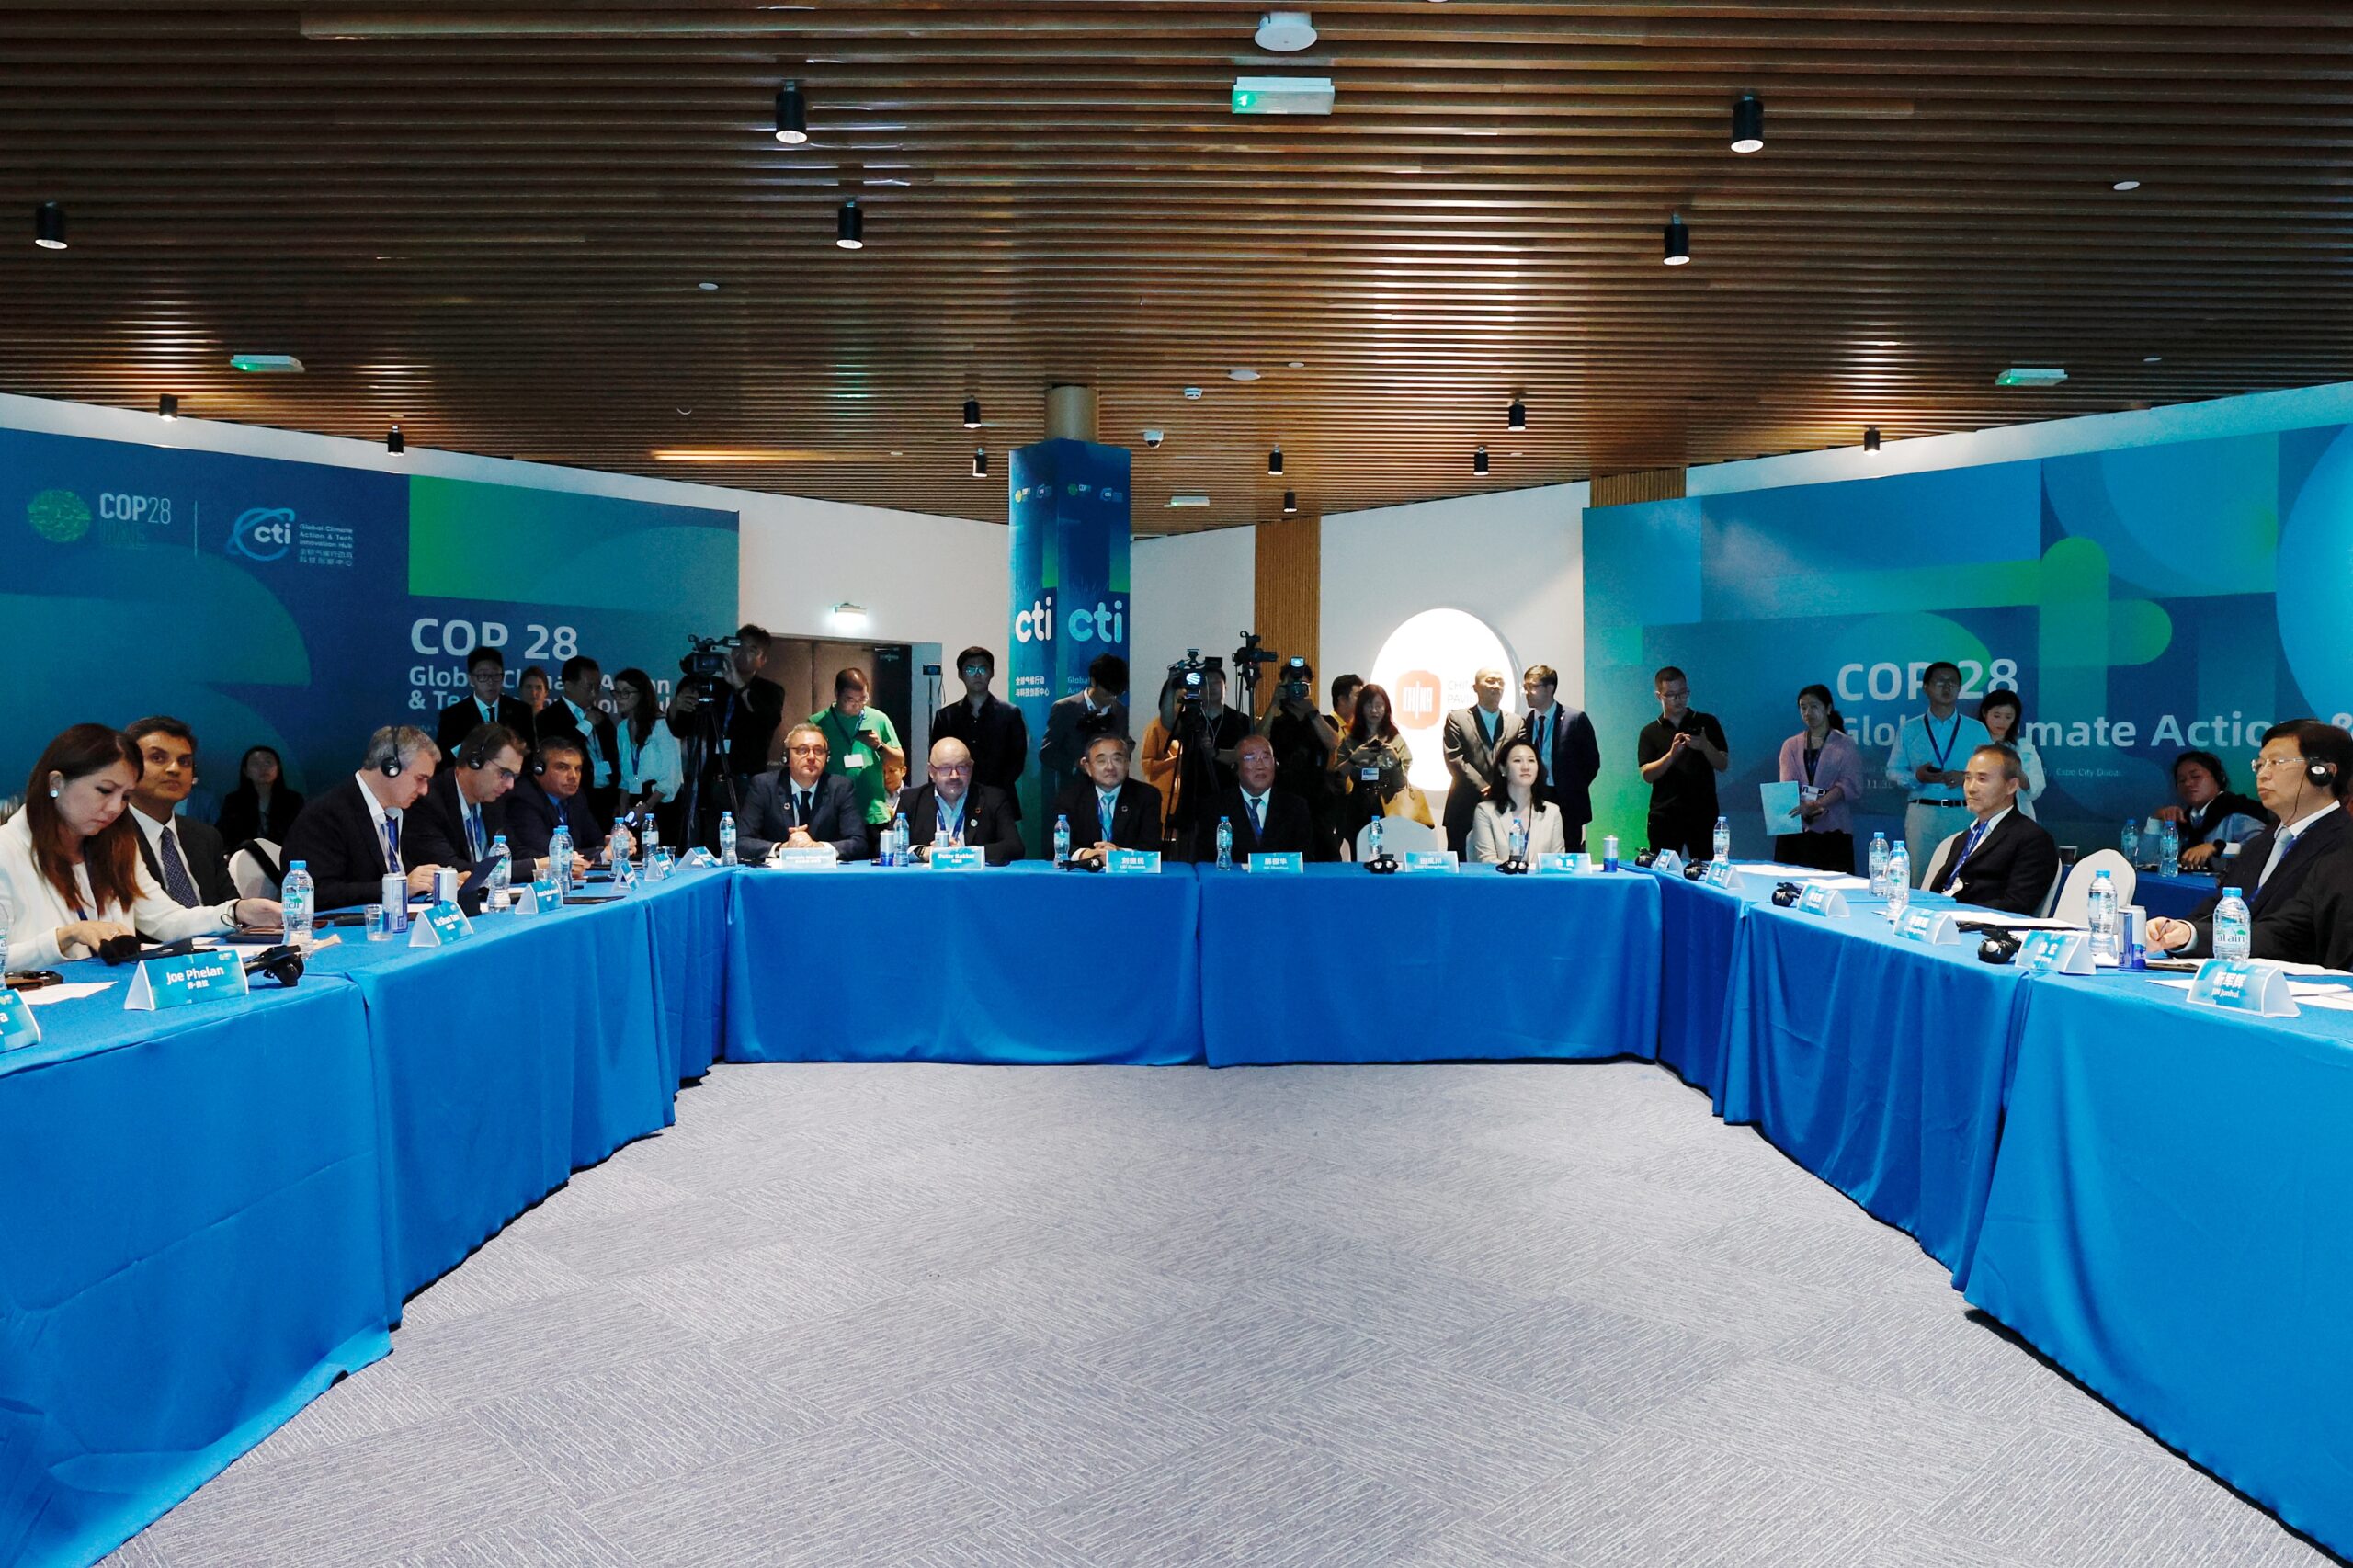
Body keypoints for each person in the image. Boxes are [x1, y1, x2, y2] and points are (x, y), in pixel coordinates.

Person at [1, 724, 281, 970]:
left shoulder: (116, 847)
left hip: (112, 1000)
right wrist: (64, 937)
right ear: (56, 783)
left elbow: (166, 920)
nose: (115, 807)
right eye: (104, 790)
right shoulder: (7, 849)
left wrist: (237, 911)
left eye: (125, 796)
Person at [2148, 721, 2353, 957]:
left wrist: (2193, 935)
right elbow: (2219, 907)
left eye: (2276, 763)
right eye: (2260, 764)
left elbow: (2294, 934)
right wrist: (2179, 931)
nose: (2263, 774)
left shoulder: (2344, 845)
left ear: (2322, 772)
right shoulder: (2259, 845)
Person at [281, 726, 445, 909]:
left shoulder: (398, 813)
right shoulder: (325, 815)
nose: (424, 791)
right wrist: (398, 888)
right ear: (390, 768)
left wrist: (436, 882)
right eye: (420, 779)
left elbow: (404, 875)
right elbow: (316, 893)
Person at [1883, 661, 1988, 882]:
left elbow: (1990, 772)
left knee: (1963, 879)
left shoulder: (1976, 729)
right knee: (1921, 878)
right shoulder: (1910, 728)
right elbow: (1893, 771)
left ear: (1960, 688)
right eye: (1940, 682)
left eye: (1953, 682)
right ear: (1926, 687)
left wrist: (1966, 777)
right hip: (1922, 812)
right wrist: (1917, 777)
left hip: (1963, 812)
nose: (1947, 687)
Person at [1926, 744, 2060, 914]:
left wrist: (1956, 912)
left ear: (2011, 786)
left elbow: (2017, 905)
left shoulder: (2032, 839)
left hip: (1977, 925)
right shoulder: (1963, 838)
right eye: (1968, 778)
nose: (1971, 788)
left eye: (1982, 779)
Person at [122, 715, 237, 906]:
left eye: (184, 762)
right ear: (127, 767)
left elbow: (232, 909)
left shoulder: (205, 837)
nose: (174, 769)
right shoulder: (108, 836)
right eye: (157, 758)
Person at [1142, 665, 1251, 853]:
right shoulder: (1190, 717)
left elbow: (1243, 755)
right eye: (1206, 683)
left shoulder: (1239, 719)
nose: (1212, 687)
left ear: (1225, 687)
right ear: (1198, 688)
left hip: (1228, 791)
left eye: (1216, 682)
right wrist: (1171, 685)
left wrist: (1214, 752)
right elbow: (1167, 722)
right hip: (1192, 795)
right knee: (1191, 849)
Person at [404, 723, 526, 875]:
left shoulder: (494, 800)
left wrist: (547, 861)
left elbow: (513, 851)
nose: (510, 785)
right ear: (475, 762)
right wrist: (533, 865)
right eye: (505, 773)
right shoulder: (428, 802)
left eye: (514, 776)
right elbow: (449, 868)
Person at [736, 724, 869, 861]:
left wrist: (818, 848)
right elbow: (741, 842)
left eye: (818, 751)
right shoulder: (764, 786)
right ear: (786, 756)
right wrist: (782, 849)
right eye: (802, 750)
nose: (811, 757)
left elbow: (859, 843)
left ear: (827, 757)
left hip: (824, 872)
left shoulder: (840, 788)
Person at [1637, 665, 1730, 859]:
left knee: (1705, 867)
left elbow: (1723, 764)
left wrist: (1705, 746)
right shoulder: (1650, 732)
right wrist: (1671, 755)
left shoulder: (1707, 723)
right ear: (1659, 696)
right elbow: (1647, 774)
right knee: (1664, 869)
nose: (1678, 699)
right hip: (1665, 814)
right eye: (1671, 695)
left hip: (1703, 812)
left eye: (1683, 693)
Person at [1189, 733, 1328, 863]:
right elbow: (1205, 859)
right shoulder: (1215, 807)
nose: (1260, 765)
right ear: (1235, 767)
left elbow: (1305, 858)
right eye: (1250, 758)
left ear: (1275, 764)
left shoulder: (1295, 806)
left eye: (1266, 758)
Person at [1773, 684, 1864, 872]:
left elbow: (1848, 784)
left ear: (1828, 709)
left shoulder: (1845, 744)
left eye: (1814, 706)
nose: (1808, 713)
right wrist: (1803, 807)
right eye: (1803, 707)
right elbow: (1786, 786)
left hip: (1833, 829)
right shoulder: (1790, 745)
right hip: (1796, 828)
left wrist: (1817, 804)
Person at [931, 646, 1029, 818]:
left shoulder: (1010, 713)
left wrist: (991, 793)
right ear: (960, 675)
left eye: (983, 669)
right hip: (956, 798)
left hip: (1000, 798)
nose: (977, 675)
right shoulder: (945, 716)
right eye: (970, 669)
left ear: (992, 673)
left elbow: (1016, 761)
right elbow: (937, 759)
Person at [1259, 658, 1340, 853]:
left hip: (1318, 800)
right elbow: (1258, 742)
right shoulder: (1276, 723)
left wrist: (1311, 711)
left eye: (1302, 685)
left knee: (1324, 854)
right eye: (1291, 685)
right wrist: (1273, 703)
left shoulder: (1324, 720)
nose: (1296, 690)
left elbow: (1333, 742)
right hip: (1283, 797)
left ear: (1310, 688)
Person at [812, 665, 905, 833]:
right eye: (850, 700)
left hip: (873, 813)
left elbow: (899, 761)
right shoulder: (817, 723)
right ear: (837, 694)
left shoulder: (879, 719)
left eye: (863, 699)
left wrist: (879, 746)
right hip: (832, 814)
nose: (857, 705)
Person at [1518, 665, 1603, 849]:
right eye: (1525, 687)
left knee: (1568, 851)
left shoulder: (1575, 719)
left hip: (1567, 801)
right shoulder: (1525, 721)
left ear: (1550, 688)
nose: (1527, 692)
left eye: (1532, 687)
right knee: (1535, 849)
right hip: (1534, 797)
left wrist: (1572, 787)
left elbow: (1592, 762)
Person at [903, 737, 1025, 865]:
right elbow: (891, 846)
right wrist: (923, 852)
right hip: (926, 877)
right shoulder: (911, 800)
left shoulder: (993, 799)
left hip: (975, 877)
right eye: (946, 768)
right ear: (931, 771)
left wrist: (967, 853)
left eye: (961, 767)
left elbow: (1015, 847)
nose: (954, 776)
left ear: (971, 767)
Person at [499, 733, 604, 881]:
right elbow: (547, 852)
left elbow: (596, 840)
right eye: (562, 768)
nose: (573, 776)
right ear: (539, 769)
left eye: (578, 769)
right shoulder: (523, 797)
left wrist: (613, 845)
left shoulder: (576, 797)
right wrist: (601, 854)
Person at [1050, 732, 1164, 865]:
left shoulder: (1147, 796)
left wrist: (1119, 854)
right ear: (1087, 767)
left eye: (1117, 760)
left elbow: (1152, 847)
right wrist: (1086, 854)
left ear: (1127, 763)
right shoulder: (1069, 797)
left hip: (1129, 874)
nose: (1110, 767)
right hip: (1084, 873)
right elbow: (1055, 845)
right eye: (1101, 761)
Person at [1441, 668, 1520, 854]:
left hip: (1504, 805)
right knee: (1461, 862)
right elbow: (1454, 758)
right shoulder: (1457, 718)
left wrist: (1499, 786)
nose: (1496, 686)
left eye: (1501, 682)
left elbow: (1519, 759)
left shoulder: (1517, 722)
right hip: (1464, 805)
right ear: (1475, 687)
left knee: (1502, 861)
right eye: (1491, 681)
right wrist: (1484, 787)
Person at [1330, 683, 1416, 851]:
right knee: (1359, 853)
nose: (1374, 711)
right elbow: (1337, 778)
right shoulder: (1350, 740)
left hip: (1388, 805)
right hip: (1358, 806)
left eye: (1379, 705)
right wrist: (1354, 759)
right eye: (1369, 705)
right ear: (1361, 708)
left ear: (1386, 708)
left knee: (1388, 855)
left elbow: (1401, 783)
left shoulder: (1395, 740)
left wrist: (1394, 760)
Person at [540, 654, 622, 823]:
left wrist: (617, 796)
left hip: (606, 797)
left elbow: (614, 756)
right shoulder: (548, 717)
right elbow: (558, 752)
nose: (594, 693)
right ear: (569, 686)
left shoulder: (601, 716)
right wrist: (586, 725)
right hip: (574, 798)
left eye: (597, 687)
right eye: (589, 687)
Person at [1040, 653, 1129, 806]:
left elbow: (1124, 743)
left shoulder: (1120, 711)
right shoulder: (1065, 708)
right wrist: (1076, 765)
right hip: (1073, 794)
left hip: (1111, 796)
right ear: (1093, 681)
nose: (1112, 698)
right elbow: (1047, 752)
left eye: (1117, 694)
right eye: (1107, 692)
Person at [2159, 749, 2268, 870]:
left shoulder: (2237, 810)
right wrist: (2155, 821)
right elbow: (2148, 860)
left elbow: (2263, 845)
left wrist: (2217, 848)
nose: (2188, 783)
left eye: (2196, 776)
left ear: (2218, 778)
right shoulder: (2183, 820)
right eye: (2181, 780)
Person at [1468, 736, 1568, 863]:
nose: (1526, 767)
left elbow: (1557, 861)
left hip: (1540, 877)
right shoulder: (1485, 811)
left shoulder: (1552, 812)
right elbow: (1487, 861)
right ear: (1503, 769)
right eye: (1517, 761)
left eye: (1531, 761)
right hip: (1500, 876)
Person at [610, 666, 681, 821]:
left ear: (642, 694)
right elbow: (626, 774)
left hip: (660, 803)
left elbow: (672, 776)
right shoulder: (622, 728)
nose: (619, 698)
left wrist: (647, 806)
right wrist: (623, 802)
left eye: (626, 692)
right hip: (634, 799)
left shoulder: (663, 725)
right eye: (616, 692)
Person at [434, 645, 535, 755]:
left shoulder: (522, 711)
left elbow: (530, 754)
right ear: (471, 679)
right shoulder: (452, 717)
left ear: (503, 677)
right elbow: (445, 759)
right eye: (483, 675)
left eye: (495, 675)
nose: (490, 682)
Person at [214, 744, 304, 847]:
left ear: (278, 768)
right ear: (246, 771)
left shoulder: (293, 800)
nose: (263, 768)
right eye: (256, 764)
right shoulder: (234, 801)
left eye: (268, 762)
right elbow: (225, 835)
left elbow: (299, 835)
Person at [1978, 690, 2046, 819]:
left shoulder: (2023, 747)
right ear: (1985, 713)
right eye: (1997, 716)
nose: (2002, 722)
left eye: (2008, 717)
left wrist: (2015, 770)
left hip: (2015, 818)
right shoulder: (1971, 744)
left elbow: (2036, 788)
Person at [1328, 673, 1362, 740]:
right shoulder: (1328, 727)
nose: (1363, 699)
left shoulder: (1360, 726)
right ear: (1342, 700)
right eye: (1358, 695)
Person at [517, 665, 552, 729]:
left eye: (539, 688)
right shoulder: (509, 723)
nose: (533, 693)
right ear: (520, 690)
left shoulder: (555, 723)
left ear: (546, 692)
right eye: (528, 687)